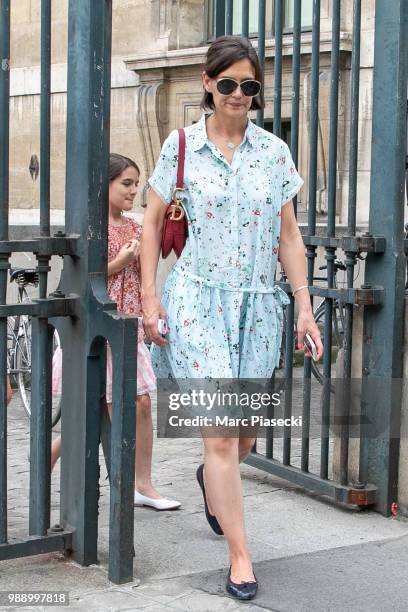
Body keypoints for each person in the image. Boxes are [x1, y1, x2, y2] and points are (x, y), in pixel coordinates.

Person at [140, 35, 323, 601]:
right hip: (197, 303)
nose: (238, 95)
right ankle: (240, 557)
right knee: (220, 435)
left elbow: (287, 233)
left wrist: (303, 304)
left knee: (243, 437)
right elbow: (150, 224)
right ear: (207, 84)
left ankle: (210, 481)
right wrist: (150, 297)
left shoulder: (275, 151)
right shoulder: (181, 147)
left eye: (249, 86)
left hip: (260, 307)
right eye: (228, 84)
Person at [51, 154, 180, 511]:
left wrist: (151, 303)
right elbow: (80, 281)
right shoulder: (89, 226)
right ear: (104, 184)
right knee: (97, 409)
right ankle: (53, 460)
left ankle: (143, 484)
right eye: (126, 183)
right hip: (96, 328)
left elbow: (144, 275)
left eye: (136, 184)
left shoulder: (135, 227)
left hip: (129, 324)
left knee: (140, 403)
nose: (133, 190)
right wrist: (119, 262)